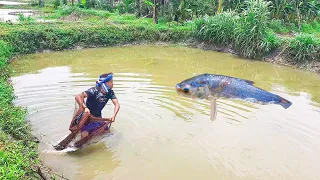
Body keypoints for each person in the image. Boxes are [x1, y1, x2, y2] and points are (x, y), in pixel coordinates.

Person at [74, 72, 120, 139]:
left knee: (106, 131)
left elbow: (117, 104)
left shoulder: (110, 92)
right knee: (85, 135)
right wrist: (85, 107)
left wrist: (114, 115)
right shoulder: (94, 90)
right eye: (111, 82)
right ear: (106, 83)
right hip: (87, 117)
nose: (113, 83)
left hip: (98, 116)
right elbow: (78, 96)